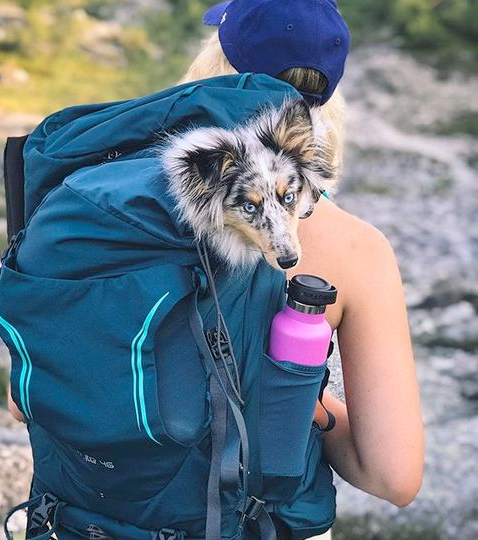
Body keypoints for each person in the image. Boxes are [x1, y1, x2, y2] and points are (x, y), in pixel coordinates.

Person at [181, 0, 424, 527]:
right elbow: (394, 476)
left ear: (212, 65)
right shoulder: (356, 249)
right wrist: (303, 403)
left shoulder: (109, 197)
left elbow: (25, 399)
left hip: (92, 517)